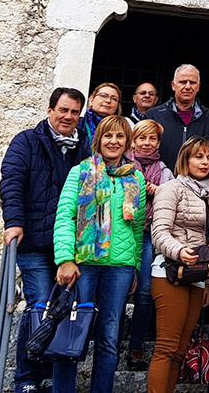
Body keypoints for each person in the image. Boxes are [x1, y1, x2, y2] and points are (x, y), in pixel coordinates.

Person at [0, 87, 90, 393]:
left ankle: (52, 372)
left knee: (63, 310)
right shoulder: (27, 141)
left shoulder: (84, 149)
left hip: (68, 246)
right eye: (63, 110)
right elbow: (12, 181)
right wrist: (14, 223)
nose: (68, 117)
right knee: (38, 307)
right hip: (35, 243)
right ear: (50, 110)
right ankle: (26, 379)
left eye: (74, 112)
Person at [52, 116, 147, 393]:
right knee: (72, 332)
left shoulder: (136, 177)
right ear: (98, 140)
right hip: (84, 264)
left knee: (109, 336)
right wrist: (65, 259)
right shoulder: (80, 172)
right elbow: (65, 216)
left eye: (120, 137)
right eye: (108, 136)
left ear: (127, 142)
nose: (113, 142)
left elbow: (138, 226)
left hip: (120, 266)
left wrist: (136, 266)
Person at [148, 137, 209, 393]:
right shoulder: (171, 188)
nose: (204, 162)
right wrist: (179, 251)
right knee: (166, 348)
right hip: (171, 273)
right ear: (185, 159)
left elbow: (206, 241)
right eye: (198, 156)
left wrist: (208, 282)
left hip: (197, 276)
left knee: (180, 350)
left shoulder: (204, 193)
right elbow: (159, 233)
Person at [126, 120, 174, 370]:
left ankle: (136, 347)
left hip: (146, 234)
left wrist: (160, 191)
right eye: (142, 138)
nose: (147, 143)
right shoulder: (121, 165)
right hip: (119, 234)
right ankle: (107, 344)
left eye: (152, 139)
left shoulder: (165, 172)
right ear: (133, 140)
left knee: (145, 292)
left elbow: (172, 200)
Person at [149, 65, 209, 172]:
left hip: (197, 185)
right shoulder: (154, 116)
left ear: (198, 87)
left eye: (192, 83)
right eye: (183, 82)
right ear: (173, 85)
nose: (188, 86)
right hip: (160, 183)